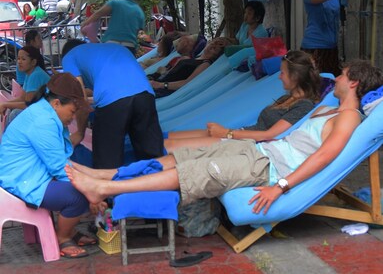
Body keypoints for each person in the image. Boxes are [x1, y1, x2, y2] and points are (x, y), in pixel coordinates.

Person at [64, 60, 383, 215]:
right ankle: (103, 173)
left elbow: (325, 155)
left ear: (354, 83)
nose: (337, 77)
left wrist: (280, 186)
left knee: (189, 173)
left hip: (268, 170)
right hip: (259, 152)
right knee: (182, 157)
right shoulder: (330, 108)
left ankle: (104, 187)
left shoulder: (349, 117)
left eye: (342, 74)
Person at [0, 73, 99, 259]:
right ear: (56, 104)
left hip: (29, 176)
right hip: (22, 182)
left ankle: (67, 232)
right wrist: (90, 190)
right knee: (78, 196)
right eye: (72, 110)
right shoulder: (42, 121)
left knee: (85, 185)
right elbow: (59, 168)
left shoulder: (46, 115)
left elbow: (61, 161)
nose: (74, 116)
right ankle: (62, 237)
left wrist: (91, 181)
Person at [164, 50, 321, 153]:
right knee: (170, 137)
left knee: (172, 147)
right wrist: (229, 132)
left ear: (295, 76)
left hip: (249, 145)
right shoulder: (287, 98)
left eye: (282, 73)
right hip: (241, 134)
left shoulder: (304, 105)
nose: (279, 76)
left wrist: (227, 133)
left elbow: (269, 135)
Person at [61, 40, 164, 169]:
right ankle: (158, 185)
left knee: (107, 163)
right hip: (145, 94)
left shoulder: (69, 57)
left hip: (113, 102)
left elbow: (80, 98)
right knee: (152, 156)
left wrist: (80, 133)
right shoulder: (112, 48)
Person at [149, 37, 232, 98]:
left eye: (217, 47)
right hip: (157, 81)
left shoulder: (205, 64)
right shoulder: (194, 57)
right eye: (213, 42)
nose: (213, 45)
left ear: (219, 54)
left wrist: (160, 85)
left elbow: (187, 83)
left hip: (163, 89)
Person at [80, 0, 144, 55]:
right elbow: (138, 32)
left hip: (111, 44)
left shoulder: (115, 3)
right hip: (129, 47)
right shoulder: (139, 12)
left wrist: (84, 24)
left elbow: (98, 14)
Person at [301, 0, 346, 76]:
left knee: (332, 83)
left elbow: (348, 1)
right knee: (315, 83)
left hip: (332, 46)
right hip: (315, 46)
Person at [0, 46, 50, 126]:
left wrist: (5, 104)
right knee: (11, 110)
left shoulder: (36, 75)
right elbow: (22, 98)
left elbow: (28, 104)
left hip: (48, 111)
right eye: (18, 58)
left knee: (15, 113)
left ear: (33, 62)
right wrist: (4, 104)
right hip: (41, 109)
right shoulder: (29, 73)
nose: (19, 62)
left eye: (23, 59)